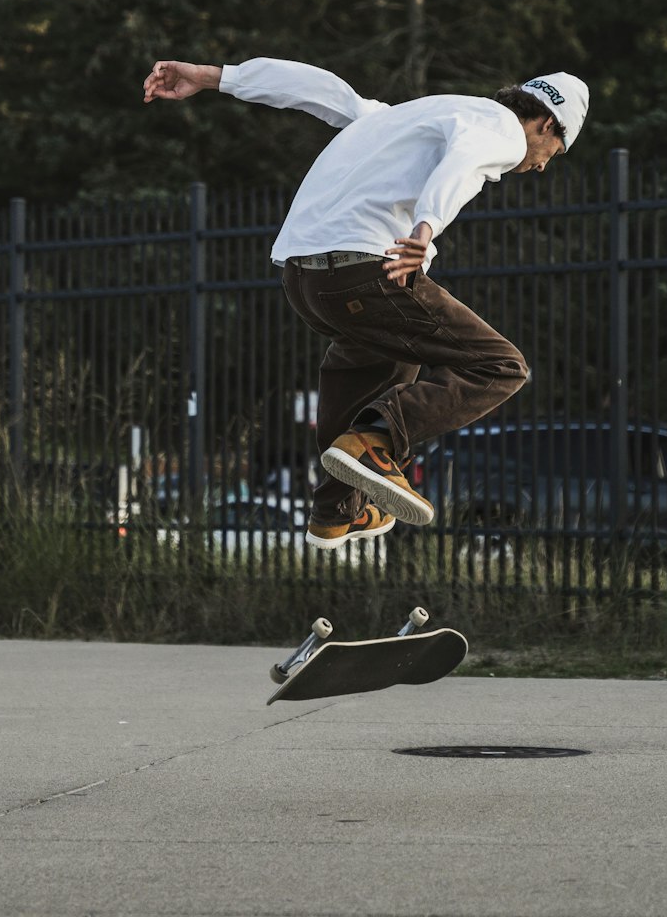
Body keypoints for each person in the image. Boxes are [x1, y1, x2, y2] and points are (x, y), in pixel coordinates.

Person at [142, 55, 589, 549]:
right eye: (555, 150)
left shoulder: (409, 114)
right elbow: (466, 159)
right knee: (501, 366)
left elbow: (322, 90)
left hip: (302, 278)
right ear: (546, 122)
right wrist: (427, 226)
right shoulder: (500, 126)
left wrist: (213, 77)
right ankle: (376, 442)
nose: (543, 163)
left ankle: (336, 510)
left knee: (379, 360)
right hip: (364, 271)